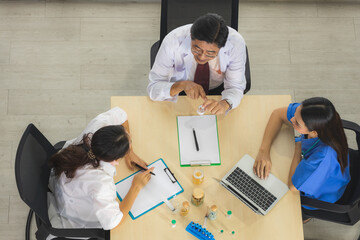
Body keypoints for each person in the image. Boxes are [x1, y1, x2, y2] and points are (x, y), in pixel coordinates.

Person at [47, 107, 154, 232]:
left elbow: (121, 114)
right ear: (115, 161)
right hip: (71, 213)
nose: (130, 140)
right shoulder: (100, 183)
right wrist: (136, 186)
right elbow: (113, 223)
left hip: (62, 178)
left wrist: (129, 152)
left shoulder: (97, 129)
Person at [253, 97, 350, 221]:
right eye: (294, 115)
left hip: (323, 193)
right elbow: (277, 114)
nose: (292, 119)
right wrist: (264, 152)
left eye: (297, 123)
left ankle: (305, 217)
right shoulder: (307, 113)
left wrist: (298, 148)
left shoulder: (322, 158)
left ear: (314, 133)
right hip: (321, 166)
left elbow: (293, 186)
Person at [148, 13, 247, 115]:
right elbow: (154, 88)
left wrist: (225, 103)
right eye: (197, 49)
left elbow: (235, 87)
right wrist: (181, 85)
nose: (202, 57)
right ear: (191, 36)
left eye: (210, 53)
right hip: (179, 91)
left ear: (222, 46)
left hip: (218, 90)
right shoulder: (172, 41)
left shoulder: (236, 44)